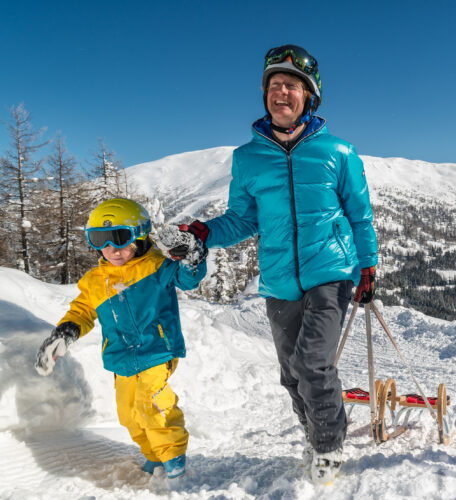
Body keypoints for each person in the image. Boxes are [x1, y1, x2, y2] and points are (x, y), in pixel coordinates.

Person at [160, 44, 378, 485]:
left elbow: (360, 213)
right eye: (275, 85)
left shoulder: (339, 151)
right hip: (279, 278)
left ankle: (329, 445)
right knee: (291, 374)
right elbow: (242, 219)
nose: (282, 92)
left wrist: (368, 266)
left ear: (309, 97)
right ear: (265, 95)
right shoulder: (247, 158)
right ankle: (313, 430)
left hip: (330, 272)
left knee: (313, 363)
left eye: (292, 86)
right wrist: (203, 233)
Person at [34, 198, 207, 479]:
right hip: (121, 356)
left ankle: (172, 453)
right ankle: (153, 454)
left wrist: (191, 257)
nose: (110, 248)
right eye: (99, 239)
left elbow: (188, 278)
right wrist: (65, 332)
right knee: (128, 414)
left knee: (150, 401)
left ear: (139, 236)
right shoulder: (95, 281)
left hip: (157, 348)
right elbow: (83, 311)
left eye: (119, 237)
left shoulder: (158, 268)